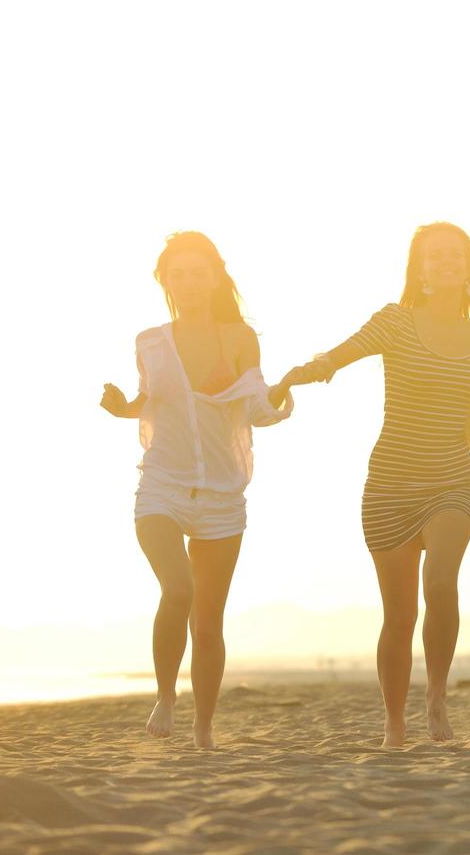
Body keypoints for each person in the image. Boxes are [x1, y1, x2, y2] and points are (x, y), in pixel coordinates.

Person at [285, 222, 470, 747]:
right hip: (390, 484)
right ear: (419, 269)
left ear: (469, 269)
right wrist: (311, 369)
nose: (444, 262)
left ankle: (436, 693)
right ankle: (394, 722)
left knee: (440, 583)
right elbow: (341, 355)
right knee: (399, 615)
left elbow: (468, 420)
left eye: (453, 255)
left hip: (451, 483)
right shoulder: (395, 322)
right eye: (433, 256)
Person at [100, 231, 293, 750]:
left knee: (208, 621)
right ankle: (165, 695)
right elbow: (151, 401)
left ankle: (203, 728)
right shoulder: (150, 341)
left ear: (215, 277)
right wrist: (123, 407)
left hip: (223, 494)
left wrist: (280, 403)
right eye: (177, 273)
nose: (187, 282)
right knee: (178, 590)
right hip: (161, 484)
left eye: (198, 273)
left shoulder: (240, 338)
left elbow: (254, 405)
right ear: (164, 280)